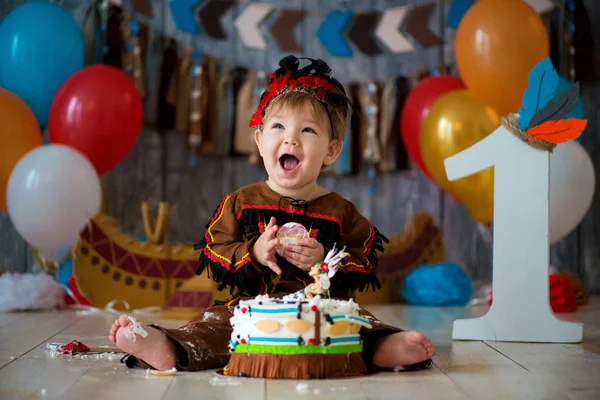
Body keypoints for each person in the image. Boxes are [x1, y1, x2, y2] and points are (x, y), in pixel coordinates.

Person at [109, 55, 435, 373]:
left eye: (307, 130)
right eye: (278, 126)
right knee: (216, 326)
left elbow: (364, 258)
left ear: (331, 150)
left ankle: (386, 349)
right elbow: (214, 249)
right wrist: (253, 253)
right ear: (260, 140)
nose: (290, 137)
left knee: (358, 324)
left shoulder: (340, 211)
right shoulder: (241, 202)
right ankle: (170, 347)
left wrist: (325, 261)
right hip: (251, 307)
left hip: (322, 308)